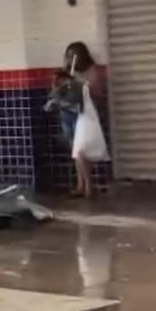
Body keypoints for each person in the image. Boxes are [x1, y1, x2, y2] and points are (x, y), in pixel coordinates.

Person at [58, 41, 106, 198]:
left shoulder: (91, 71)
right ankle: (82, 184)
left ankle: (87, 186)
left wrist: (81, 85)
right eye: (69, 56)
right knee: (76, 151)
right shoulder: (67, 72)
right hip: (69, 113)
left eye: (74, 56)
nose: (71, 60)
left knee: (81, 150)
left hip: (85, 114)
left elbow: (98, 92)